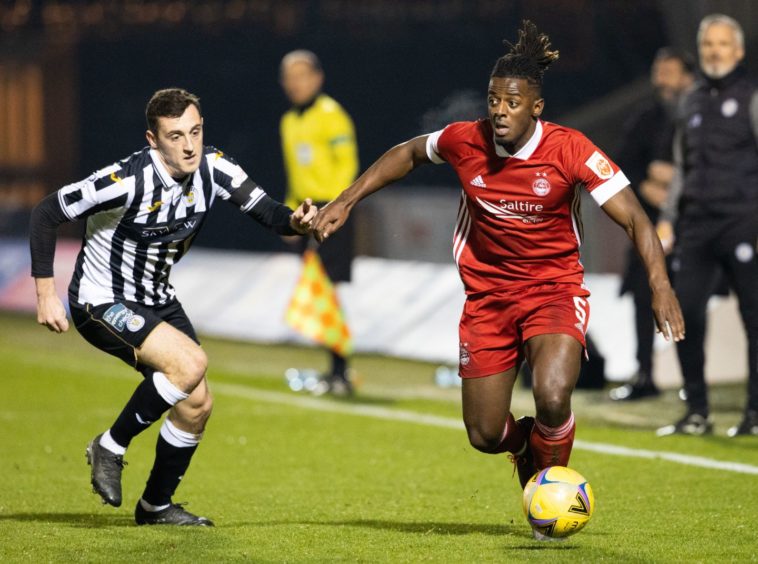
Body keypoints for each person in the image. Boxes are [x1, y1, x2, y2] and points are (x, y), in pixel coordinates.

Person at [313, 20, 684, 538]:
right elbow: (408, 153)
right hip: (487, 299)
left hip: (554, 290)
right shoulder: (467, 141)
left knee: (554, 393)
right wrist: (345, 201)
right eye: (493, 100)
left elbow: (636, 218)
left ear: (536, 107)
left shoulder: (570, 149)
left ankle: (547, 492)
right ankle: (529, 443)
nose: (499, 111)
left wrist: (661, 287)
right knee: (485, 434)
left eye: (512, 102)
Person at [29, 88, 316, 525]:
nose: (188, 145)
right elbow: (48, 212)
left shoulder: (214, 168)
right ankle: (110, 445)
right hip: (102, 299)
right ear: (153, 139)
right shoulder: (126, 181)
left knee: (196, 404)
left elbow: (269, 213)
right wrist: (46, 293)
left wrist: (296, 220)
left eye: (195, 132)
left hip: (158, 300)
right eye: (176, 135)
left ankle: (155, 506)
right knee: (190, 364)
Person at [656, 14, 758, 437]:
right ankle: (697, 411)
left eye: (722, 44)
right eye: (708, 45)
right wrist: (667, 218)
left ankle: (754, 415)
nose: (714, 51)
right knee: (686, 316)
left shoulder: (752, 96)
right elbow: (681, 167)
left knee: (755, 319)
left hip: (744, 222)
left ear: (738, 51)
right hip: (696, 225)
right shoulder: (690, 99)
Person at [609, 48, 696, 401]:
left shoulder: (701, 114)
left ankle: (693, 381)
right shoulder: (646, 117)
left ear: (688, 76)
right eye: (658, 71)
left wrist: (674, 184)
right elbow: (622, 164)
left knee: (690, 301)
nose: (662, 79)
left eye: (670, 71)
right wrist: (648, 183)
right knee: (643, 296)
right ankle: (644, 374)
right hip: (650, 228)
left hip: (694, 226)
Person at [279, 49, 359, 396]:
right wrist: (287, 215)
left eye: (302, 76)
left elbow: (348, 166)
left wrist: (336, 208)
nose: (295, 84)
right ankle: (335, 370)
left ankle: (341, 370)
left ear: (317, 78)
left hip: (332, 211)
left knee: (330, 291)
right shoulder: (289, 121)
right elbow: (294, 174)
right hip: (304, 213)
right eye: (289, 78)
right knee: (317, 292)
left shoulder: (332, 115)